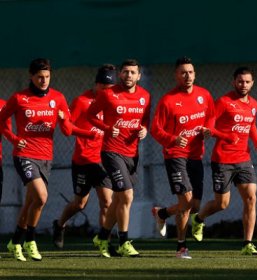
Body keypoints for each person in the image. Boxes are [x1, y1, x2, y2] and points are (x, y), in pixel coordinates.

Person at [0, 58, 96, 261]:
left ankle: (15, 241)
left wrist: (85, 132)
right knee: (41, 197)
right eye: (40, 77)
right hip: (24, 155)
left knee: (31, 202)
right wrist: (14, 139)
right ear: (31, 76)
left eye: (47, 77)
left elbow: (67, 129)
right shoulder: (19, 98)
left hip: (46, 157)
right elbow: (2, 121)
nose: (44, 81)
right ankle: (30, 240)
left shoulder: (58, 98)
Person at [190, 67, 257, 256]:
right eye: (240, 81)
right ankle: (198, 219)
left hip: (244, 159)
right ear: (234, 82)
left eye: (247, 82)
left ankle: (247, 243)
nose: (244, 85)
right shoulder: (223, 102)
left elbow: (251, 124)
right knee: (222, 204)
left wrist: (256, 140)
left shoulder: (254, 104)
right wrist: (227, 136)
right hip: (223, 159)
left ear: (252, 83)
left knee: (251, 198)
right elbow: (209, 128)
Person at [150, 56, 215, 259]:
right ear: (176, 75)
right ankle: (181, 247)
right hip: (175, 156)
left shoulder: (204, 95)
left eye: (191, 72)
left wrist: (209, 130)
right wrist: (173, 139)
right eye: (183, 72)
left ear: (195, 74)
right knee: (186, 201)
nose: (188, 76)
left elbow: (212, 116)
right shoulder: (168, 100)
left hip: (196, 156)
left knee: (194, 205)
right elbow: (155, 129)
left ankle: (163, 213)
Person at [87, 59, 150, 258]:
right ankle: (124, 241)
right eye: (125, 72)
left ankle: (102, 237)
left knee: (118, 199)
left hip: (132, 154)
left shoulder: (145, 96)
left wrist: (144, 129)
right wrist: (107, 128)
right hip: (111, 152)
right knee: (127, 196)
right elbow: (91, 115)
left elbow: (145, 118)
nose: (129, 75)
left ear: (139, 76)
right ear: (120, 74)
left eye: (133, 72)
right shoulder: (108, 94)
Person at [52, 64, 116, 249]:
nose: (107, 93)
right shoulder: (82, 101)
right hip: (83, 161)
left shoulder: (114, 103)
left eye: (110, 90)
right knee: (80, 204)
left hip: (103, 160)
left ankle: (105, 243)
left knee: (107, 202)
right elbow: (67, 127)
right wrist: (88, 134)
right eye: (103, 89)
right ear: (96, 85)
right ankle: (60, 224)